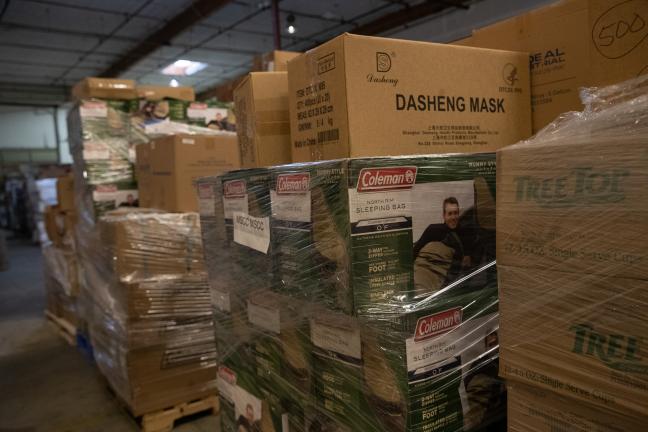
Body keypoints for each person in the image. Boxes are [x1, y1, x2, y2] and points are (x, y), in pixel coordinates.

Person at [413, 197, 476, 293]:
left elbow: (469, 263)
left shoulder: (465, 234)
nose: (453, 217)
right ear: (444, 215)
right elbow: (415, 252)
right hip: (427, 274)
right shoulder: (433, 230)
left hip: (450, 281)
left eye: (455, 213)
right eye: (450, 214)